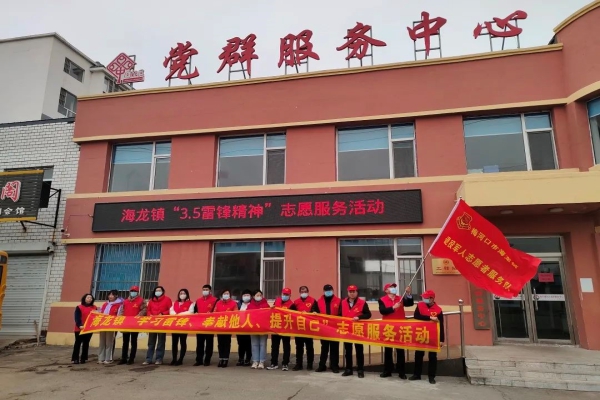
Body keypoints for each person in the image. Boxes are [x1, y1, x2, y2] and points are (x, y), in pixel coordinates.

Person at [378, 283, 414, 379]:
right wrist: (393, 307)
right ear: (386, 290)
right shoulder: (382, 300)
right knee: (388, 350)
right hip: (388, 328)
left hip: (400, 328)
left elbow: (410, 303)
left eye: (394, 287)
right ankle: (387, 371)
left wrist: (408, 294)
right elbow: (382, 311)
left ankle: (401, 372)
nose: (394, 288)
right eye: (391, 287)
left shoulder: (400, 298)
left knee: (400, 350)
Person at [410, 290, 444, 384]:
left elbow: (441, 325)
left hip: (433, 336)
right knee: (418, 354)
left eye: (426, 298)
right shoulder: (420, 305)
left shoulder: (438, 309)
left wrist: (441, 339)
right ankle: (417, 374)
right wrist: (430, 318)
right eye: (423, 297)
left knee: (432, 356)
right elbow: (416, 316)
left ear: (432, 299)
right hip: (421, 334)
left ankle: (431, 377)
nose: (424, 299)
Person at [339, 285, 371, 378]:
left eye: (354, 292)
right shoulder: (343, 302)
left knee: (359, 350)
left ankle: (360, 370)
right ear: (348, 292)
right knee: (348, 351)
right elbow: (339, 314)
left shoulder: (362, 302)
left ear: (357, 292)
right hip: (347, 330)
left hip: (358, 330)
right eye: (350, 292)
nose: (352, 293)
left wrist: (359, 317)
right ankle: (348, 369)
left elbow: (368, 314)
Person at [311, 284, 341, 373]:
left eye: (330, 290)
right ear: (324, 291)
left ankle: (334, 366)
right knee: (324, 348)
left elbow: (341, 313)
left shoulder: (338, 301)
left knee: (334, 348)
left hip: (334, 328)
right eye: (327, 290)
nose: (328, 292)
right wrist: (314, 312)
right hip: (323, 328)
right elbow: (313, 310)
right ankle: (322, 366)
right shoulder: (319, 301)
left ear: (333, 290)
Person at [144, 286, 172, 365]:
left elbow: (170, 310)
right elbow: (148, 310)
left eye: (159, 290)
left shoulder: (167, 299)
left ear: (163, 291)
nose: (158, 292)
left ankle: (159, 359)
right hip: (153, 324)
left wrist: (163, 314)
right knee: (151, 342)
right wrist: (150, 315)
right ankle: (148, 359)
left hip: (162, 323)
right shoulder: (151, 300)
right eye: (156, 290)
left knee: (161, 342)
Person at [118, 286, 146, 365]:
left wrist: (139, 316)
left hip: (135, 324)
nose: (133, 292)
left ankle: (131, 358)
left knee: (133, 341)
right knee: (125, 342)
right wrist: (121, 318)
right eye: (132, 291)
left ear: (137, 292)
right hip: (126, 324)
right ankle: (124, 358)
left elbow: (144, 309)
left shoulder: (141, 300)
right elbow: (122, 310)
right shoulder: (125, 301)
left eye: (135, 291)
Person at [267, 287, 294, 371]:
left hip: (285, 328)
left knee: (286, 346)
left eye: (286, 294)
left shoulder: (291, 304)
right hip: (276, 326)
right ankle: (273, 363)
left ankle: (285, 363)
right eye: (283, 294)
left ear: (290, 295)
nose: (284, 296)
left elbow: (293, 316)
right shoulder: (277, 301)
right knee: (274, 346)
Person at [291, 286, 315, 371]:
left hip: (309, 328)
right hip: (299, 328)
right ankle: (299, 364)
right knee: (299, 347)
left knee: (309, 347)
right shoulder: (296, 302)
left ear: (308, 292)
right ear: (299, 292)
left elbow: (316, 312)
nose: (303, 293)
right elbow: (290, 312)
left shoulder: (313, 301)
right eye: (302, 291)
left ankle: (310, 365)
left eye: (305, 291)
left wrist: (309, 313)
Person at [194, 284, 217, 366]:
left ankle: (207, 360)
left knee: (209, 343)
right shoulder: (198, 300)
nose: (205, 291)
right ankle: (199, 360)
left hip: (209, 324)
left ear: (210, 291)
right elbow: (195, 311)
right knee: (199, 343)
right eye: (203, 289)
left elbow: (216, 311)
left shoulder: (215, 300)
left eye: (206, 289)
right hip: (200, 324)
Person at [97, 290, 123, 364]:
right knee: (102, 342)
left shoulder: (119, 305)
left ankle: (108, 358)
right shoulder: (105, 304)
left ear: (116, 296)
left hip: (111, 326)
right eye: (109, 295)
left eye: (112, 295)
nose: (110, 296)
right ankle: (101, 358)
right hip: (103, 325)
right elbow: (100, 313)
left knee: (109, 342)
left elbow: (119, 316)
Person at [214, 289, 238, 367]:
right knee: (220, 343)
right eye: (224, 293)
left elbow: (236, 313)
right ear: (222, 295)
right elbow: (215, 313)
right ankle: (221, 358)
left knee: (227, 343)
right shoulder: (218, 303)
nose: (226, 295)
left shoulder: (233, 303)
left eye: (227, 293)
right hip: (220, 325)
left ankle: (225, 359)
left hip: (228, 326)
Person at [170, 288, 194, 365]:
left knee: (182, 342)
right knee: (174, 342)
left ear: (187, 295)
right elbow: (171, 310)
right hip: (175, 325)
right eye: (181, 293)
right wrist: (175, 314)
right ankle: (174, 359)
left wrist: (179, 314)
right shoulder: (175, 303)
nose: (182, 295)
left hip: (184, 325)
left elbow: (190, 312)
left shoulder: (190, 303)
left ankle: (180, 359)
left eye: (184, 293)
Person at [71, 293, 96, 364]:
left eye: (91, 298)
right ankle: (75, 359)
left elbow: (96, 317)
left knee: (86, 343)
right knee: (78, 343)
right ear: (84, 299)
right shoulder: (79, 307)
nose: (89, 299)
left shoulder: (94, 308)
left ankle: (83, 358)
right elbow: (77, 317)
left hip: (89, 328)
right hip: (80, 328)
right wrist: (80, 325)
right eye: (88, 297)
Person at [248, 289, 270, 369]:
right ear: (253, 296)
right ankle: (255, 361)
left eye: (260, 295)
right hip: (253, 328)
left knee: (262, 345)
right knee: (254, 345)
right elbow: (247, 315)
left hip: (263, 328)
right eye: (257, 295)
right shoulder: (250, 306)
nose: (259, 297)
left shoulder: (266, 305)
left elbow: (269, 315)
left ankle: (261, 361)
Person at [236, 289, 253, 366]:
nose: (246, 296)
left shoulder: (252, 305)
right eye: (244, 295)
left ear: (251, 296)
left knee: (248, 344)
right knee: (241, 344)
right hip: (240, 327)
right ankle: (241, 359)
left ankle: (248, 359)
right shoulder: (238, 304)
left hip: (249, 327)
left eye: (248, 295)